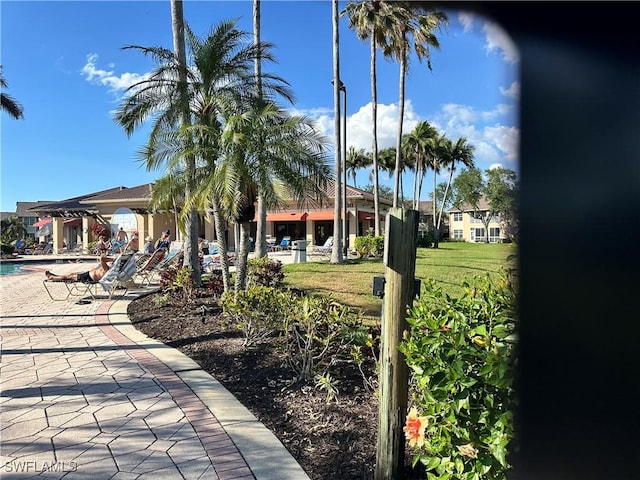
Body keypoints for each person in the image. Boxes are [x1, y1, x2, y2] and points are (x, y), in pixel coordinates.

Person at [45, 255, 114, 284]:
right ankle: (55, 276)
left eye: (112, 263)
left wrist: (112, 259)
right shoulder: (107, 269)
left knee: (69, 277)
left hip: (88, 278)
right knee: (70, 275)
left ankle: (52, 277)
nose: (110, 262)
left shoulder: (107, 269)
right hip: (87, 275)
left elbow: (102, 258)